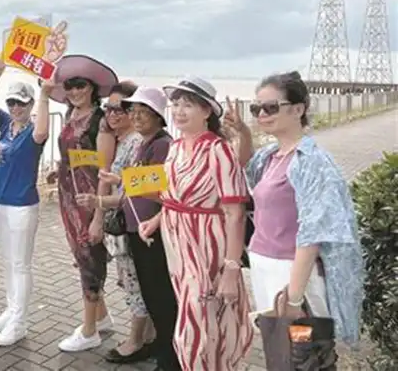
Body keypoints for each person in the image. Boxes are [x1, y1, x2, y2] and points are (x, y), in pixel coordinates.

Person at [226, 71, 363, 346]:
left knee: (302, 348)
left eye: (271, 107)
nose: (262, 114)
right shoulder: (270, 156)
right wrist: (242, 131)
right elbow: (247, 167)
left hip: (293, 274)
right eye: (257, 108)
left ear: (299, 109)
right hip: (264, 265)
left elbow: (314, 232)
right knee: (279, 348)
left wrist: (294, 297)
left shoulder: (313, 162)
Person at [139, 77, 252, 371]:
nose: (178, 111)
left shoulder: (219, 150)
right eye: (175, 104)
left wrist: (231, 267)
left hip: (207, 246)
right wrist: (155, 219)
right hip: (176, 244)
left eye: (187, 105)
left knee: (194, 323)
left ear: (207, 112)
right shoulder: (175, 148)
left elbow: (235, 213)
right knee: (205, 318)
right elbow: (173, 197)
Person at [87, 86, 181, 369]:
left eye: (144, 112)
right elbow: (139, 186)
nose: (137, 117)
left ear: (158, 116)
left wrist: (126, 183)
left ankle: (169, 356)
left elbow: (158, 189)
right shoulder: (143, 143)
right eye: (134, 111)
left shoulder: (162, 144)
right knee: (151, 294)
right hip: (137, 228)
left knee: (161, 296)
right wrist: (117, 186)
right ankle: (162, 349)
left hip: (153, 231)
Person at [45, 54, 118, 353]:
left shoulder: (100, 123)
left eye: (81, 86)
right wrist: (59, 169)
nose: (75, 91)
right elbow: (73, 156)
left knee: (90, 259)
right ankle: (101, 317)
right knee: (80, 255)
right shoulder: (69, 116)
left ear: (92, 88)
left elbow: (104, 169)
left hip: (88, 200)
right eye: (71, 86)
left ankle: (89, 331)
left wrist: (99, 215)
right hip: (68, 195)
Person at [0, 62, 50, 346]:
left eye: (21, 103)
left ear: (31, 104)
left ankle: (20, 321)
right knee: (8, 262)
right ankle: (12, 310)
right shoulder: (5, 125)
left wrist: (45, 93)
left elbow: (43, 131)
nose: (16, 107)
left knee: (21, 264)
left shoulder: (33, 133)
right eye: (12, 102)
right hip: (0, 203)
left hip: (23, 206)